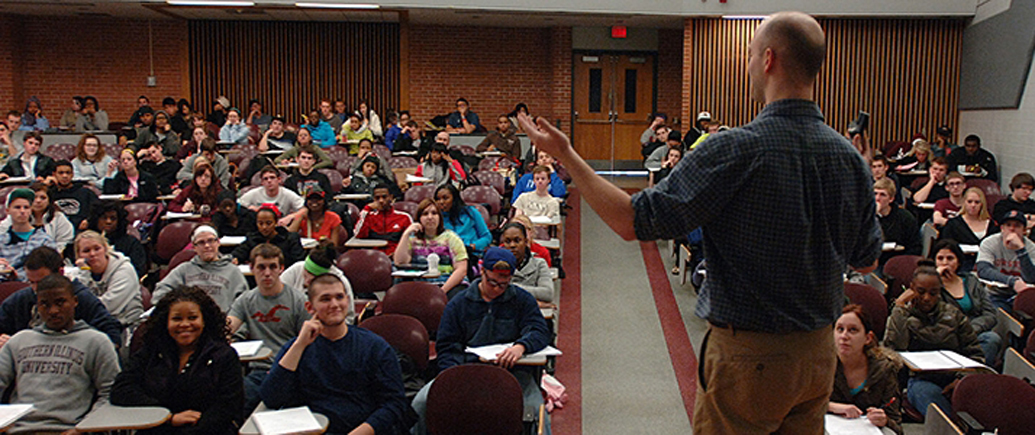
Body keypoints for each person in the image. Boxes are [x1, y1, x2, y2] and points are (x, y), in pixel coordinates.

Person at [516, 12, 882, 432]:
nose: (747, 65)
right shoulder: (848, 157)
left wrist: (568, 155)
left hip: (751, 355)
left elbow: (632, 220)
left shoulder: (736, 149)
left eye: (748, 55)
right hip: (818, 352)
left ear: (767, 60)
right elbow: (867, 261)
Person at [410, 247, 551, 435]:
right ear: (482, 271)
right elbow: (448, 346)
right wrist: (454, 374)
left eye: (503, 284)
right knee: (419, 404)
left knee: (537, 412)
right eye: (492, 282)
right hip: (465, 370)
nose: (497, 289)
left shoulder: (521, 299)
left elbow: (540, 330)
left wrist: (521, 346)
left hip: (512, 373)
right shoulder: (458, 304)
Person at [261, 273, 410, 434]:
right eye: (325, 299)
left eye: (339, 297)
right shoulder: (296, 347)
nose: (335, 304)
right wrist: (299, 345)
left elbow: (394, 404)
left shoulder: (374, 347)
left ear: (347, 300)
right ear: (310, 307)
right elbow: (272, 399)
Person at [110, 286, 243, 435]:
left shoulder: (224, 355)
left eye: (192, 318)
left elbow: (227, 408)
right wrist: (167, 417)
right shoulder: (151, 351)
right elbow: (121, 390)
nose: (185, 324)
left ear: (204, 320)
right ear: (166, 322)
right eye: (177, 318)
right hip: (157, 429)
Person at [0, 274, 120, 434]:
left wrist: (83, 429)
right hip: (19, 430)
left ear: (75, 301)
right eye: (45, 304)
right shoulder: (20, 340)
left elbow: (110, 394)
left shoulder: (96, 341)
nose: (53, 311)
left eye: (60, 302)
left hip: (70, 430)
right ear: (37, 306)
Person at [884, 260, 982, 417]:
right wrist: (899, 306)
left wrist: (961, 380)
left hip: (954, 376)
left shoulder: (954, 315)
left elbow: (976, 354)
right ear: (911, 289)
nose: (926, 298)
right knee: (926, 394)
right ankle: (952, 427)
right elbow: (894, 350)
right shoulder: (902, 315)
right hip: (919, 380)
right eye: (920, 292)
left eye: (933, 293)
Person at [229, 244, 308, 414]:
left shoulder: (298, 300)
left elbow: (308, 342)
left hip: (290, 371)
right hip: (259, 371)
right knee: (233, 403)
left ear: (281, 268)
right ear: (252, 268)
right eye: (261, 267)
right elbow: (228, 327)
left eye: (272, 267)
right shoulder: (245, 300)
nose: (267, 273)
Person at [0, 246, 123, 348]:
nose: (37, 289)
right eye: (31, 282)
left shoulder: (81, 297)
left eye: (42, 282)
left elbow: (112, 334)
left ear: (61, 273)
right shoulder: (22, 298)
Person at [827, 305, 902, 435]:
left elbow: (896, 424)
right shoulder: (822, 364)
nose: (844, 336)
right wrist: (833, 407)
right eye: (840, 329)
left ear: (868, 338)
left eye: (853, 330)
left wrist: (885, 420)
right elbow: (802, 407)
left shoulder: (884, 369)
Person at [930, 240, 1002, 365]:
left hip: (973, 333)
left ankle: (972, 377)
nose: (945, 263)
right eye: (940, 258)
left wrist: (970, 330)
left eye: (950, 258)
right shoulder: (930, 287)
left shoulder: (971, 281)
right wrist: (934, 282)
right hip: (944, 335)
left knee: (992, 339)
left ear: (958, 262)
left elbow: (990, 313)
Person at [154, 225, 248, 313]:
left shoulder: (233, 271)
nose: (207, 246)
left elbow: (244, 305)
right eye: (201, 242)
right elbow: (159, 293)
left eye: (211, 241)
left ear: (218, 243)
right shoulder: (184, 269)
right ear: (194, 247)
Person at [393, 199, 468, 297]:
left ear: (439, 218)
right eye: (425, 214)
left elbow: (461, 270)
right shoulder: (412, 239)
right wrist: (406, 234)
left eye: (434, 213)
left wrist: (442, 291)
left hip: (446, 283)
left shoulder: (451, 238)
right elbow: (400, 262)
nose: (430, 217)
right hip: (419, 283)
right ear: (419, 218)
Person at [71, 230, 143, 331]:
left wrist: (82, 308)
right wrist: (84, 273)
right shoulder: (79, 273)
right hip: (92, 325)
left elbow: (109, 307)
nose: (92, 254)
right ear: (79, 256)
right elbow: (76, 301)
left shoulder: (125, 269)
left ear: (105, 249)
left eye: (97, 248)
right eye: (86, 251)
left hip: (126, 325)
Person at [279, 243, 356, 323]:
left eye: (314, 276)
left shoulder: (341, 281)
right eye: (306, 273)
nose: (307, 280)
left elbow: (349, 318)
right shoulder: (296, 269)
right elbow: (278, 296)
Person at [975, 209, 1035, 310]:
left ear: (1024, 230)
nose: (1012, 229)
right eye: (1008, 225)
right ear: (1002, 228)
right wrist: (1012, 281)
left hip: (1022, 296)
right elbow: (983, 270)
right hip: (995, 294)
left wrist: (1021, 250)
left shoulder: (1031, 247)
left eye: (1017, 226)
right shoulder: (990, 242)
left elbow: (1031, 278)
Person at [0, 188, 58, 281]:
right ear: (7, 211)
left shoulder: (45, 240)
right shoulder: (2, 241)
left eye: (26, 207)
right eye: (17, 207)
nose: (22, 211)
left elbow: (52, 270)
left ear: (31, 210)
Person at [0, 182, 74, 254]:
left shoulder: (58, 218)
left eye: (43, 198)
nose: (38, 201)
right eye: (35, 197)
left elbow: (64, 243)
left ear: (49, 200)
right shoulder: (15, 217)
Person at [939, 187, 997, 271]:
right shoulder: (953, 224)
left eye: (977, 202)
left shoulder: (992, 225)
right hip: (961, 265)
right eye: (969, 202)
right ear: (964, 203)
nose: (973, 205)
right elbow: (946, 246)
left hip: (987, 265)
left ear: (982, 204)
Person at [87, 200, 147, 277]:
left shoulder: (131, 243)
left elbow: (138, 270)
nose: (108, 221)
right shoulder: (86, 242)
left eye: (113, 218)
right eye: (104, 218)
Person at [231, 205, 306, 266]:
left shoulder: (290, 238)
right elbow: (241, 251)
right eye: (260, 223)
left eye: (268, 223)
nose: (264, 227)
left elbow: (299, 260)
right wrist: (236, 258)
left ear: (276, 223)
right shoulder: (252, 238)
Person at [500, 222, 553, 303]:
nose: (512, 245)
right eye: (507, 241)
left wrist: (510, 288)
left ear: (526, 241)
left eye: (517, 240)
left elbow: (547, 294)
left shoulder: (539, 264)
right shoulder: (497, 265)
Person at [352, 183, 412, 256]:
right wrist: (366, 210)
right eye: (377, 198)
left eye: (384, 197)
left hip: (396, 256)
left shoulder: (404, 217)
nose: (381, 201)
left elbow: (411, 242)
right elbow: (358, 235)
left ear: (391, 197)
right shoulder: (369, 217)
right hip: (373, 256)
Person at [238, 166, 307, 226]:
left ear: (279, 179)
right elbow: (238, 205)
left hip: (280, 227)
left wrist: (291, 216)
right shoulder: (254, 193)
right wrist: (249, 209)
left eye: (272, 177)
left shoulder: (287, 193)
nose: (269, 181)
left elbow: (305, 209)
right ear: (262, 182)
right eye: (266, 179)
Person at [874, 178, 921, 268]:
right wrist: (873, 216)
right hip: (874, 261)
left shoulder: (905, 217)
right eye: (875, 194)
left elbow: (915, 246)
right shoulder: (866, 217)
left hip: (897, 261)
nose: (877, 198)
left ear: (891, 199)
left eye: (882, 195)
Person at [436, 184, 491, 254]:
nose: (441, 202)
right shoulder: (437, 217)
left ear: (455, 199)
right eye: (438, 199)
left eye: (445, 198)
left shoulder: (471, 212)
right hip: (448, 255)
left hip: (471, 253)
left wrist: (473, 246)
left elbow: (486, 237)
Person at [50, 159, 99, 230]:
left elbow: (97, 210)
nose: (65, 176)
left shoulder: (85, 192)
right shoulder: (49, 193)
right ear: (54, 174)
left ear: (72, 174)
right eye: (61, 173)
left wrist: (88, 221)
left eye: (68, 173)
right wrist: (45, 185)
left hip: (81, 229)